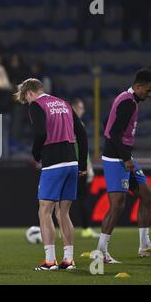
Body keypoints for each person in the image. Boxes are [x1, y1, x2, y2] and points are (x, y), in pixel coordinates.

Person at [14, 78, 88, 271]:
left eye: (26, 98)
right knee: (63, 213)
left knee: (44, 211)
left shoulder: (37, 105)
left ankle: (49, 261)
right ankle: (69, 260)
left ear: (30, 93)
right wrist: (81, 163)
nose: (28, 102)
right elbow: (81, 133)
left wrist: (36, 153)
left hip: (53, 163)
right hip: (72, 161)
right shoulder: (64, 103)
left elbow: (40, 133)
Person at [98, 69, 151, 263]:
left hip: (124, 156)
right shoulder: (128, 103)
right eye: (148, 90)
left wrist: (127, 156)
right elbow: (113, 133)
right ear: (138, 86)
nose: (150, 94)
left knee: (147, 196)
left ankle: (144, 244)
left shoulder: (127, 99)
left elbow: (107, 123)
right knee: (117, 206)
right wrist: (125, 158)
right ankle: (101, 252)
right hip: (116, 159)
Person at [70, 98, 99, 238]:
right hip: (78, 167)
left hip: (66, 166)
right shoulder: (77, 123)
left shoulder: (63, 122)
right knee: (83, 198)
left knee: (61, 201)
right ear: (74, 108)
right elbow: (81, 148)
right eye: (81, 107)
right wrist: (87, 166)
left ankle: (61, 229)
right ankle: (86, 229)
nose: (83, 110)